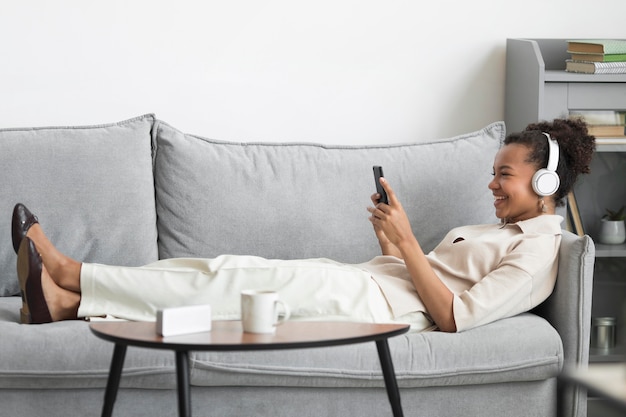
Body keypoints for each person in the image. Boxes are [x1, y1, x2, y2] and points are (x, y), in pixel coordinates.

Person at [13, 118, 595, 332]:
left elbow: (452, 315)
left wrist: (410, 242)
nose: (493, 185)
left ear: (546, 183)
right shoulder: (499, 232)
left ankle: (71, 272)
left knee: (221, 284)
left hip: (374, 306)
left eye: (506, 177)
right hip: (362, 280)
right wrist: (392, 240)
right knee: (219, 277)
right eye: (494, 174)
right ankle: (67, 305)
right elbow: (417, 273)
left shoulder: (541, 253)